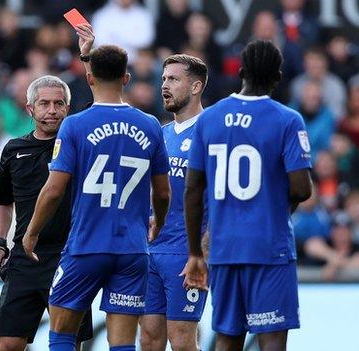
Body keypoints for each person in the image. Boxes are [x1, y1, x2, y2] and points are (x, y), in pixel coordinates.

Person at [23, 43, 171, 350]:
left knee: (62, 333)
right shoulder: (151, 125)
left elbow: (53, 190)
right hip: (132, 249)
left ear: (90, 80)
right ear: (126, 78)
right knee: (122, 342)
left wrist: (31, 232)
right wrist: (158, 223)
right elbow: (164, 191)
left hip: (86, 245)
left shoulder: (74, 125)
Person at [183, 40, 313, 351]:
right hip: (270, 247)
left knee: (227, 338)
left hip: (223, 248)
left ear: (240, 72)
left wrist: (195, 253)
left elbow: (192, 189)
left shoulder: (209, 119)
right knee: (271, 339)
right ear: (278, 77)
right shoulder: (287, 120)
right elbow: (301, 189)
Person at [0, 75, 93, 351]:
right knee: (8, 344)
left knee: (67, 343)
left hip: (69, 256)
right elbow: (2, 202)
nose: (52, 110)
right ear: (29, 108)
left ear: (68, 109)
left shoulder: (80, 146)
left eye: (59, 104)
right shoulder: (14, 150)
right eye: (44, 103)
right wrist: (0, 242)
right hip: (24, 259)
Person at [139, 54, 209, 351]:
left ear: (195, 87)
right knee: (149, 340)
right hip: (151, 251)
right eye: (164, 79)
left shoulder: (211, 130)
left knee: (182, 341)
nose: (164, 86)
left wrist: (202, 254)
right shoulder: (161, 134)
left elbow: (223, 199)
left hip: (185, 254)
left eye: (173, 79)